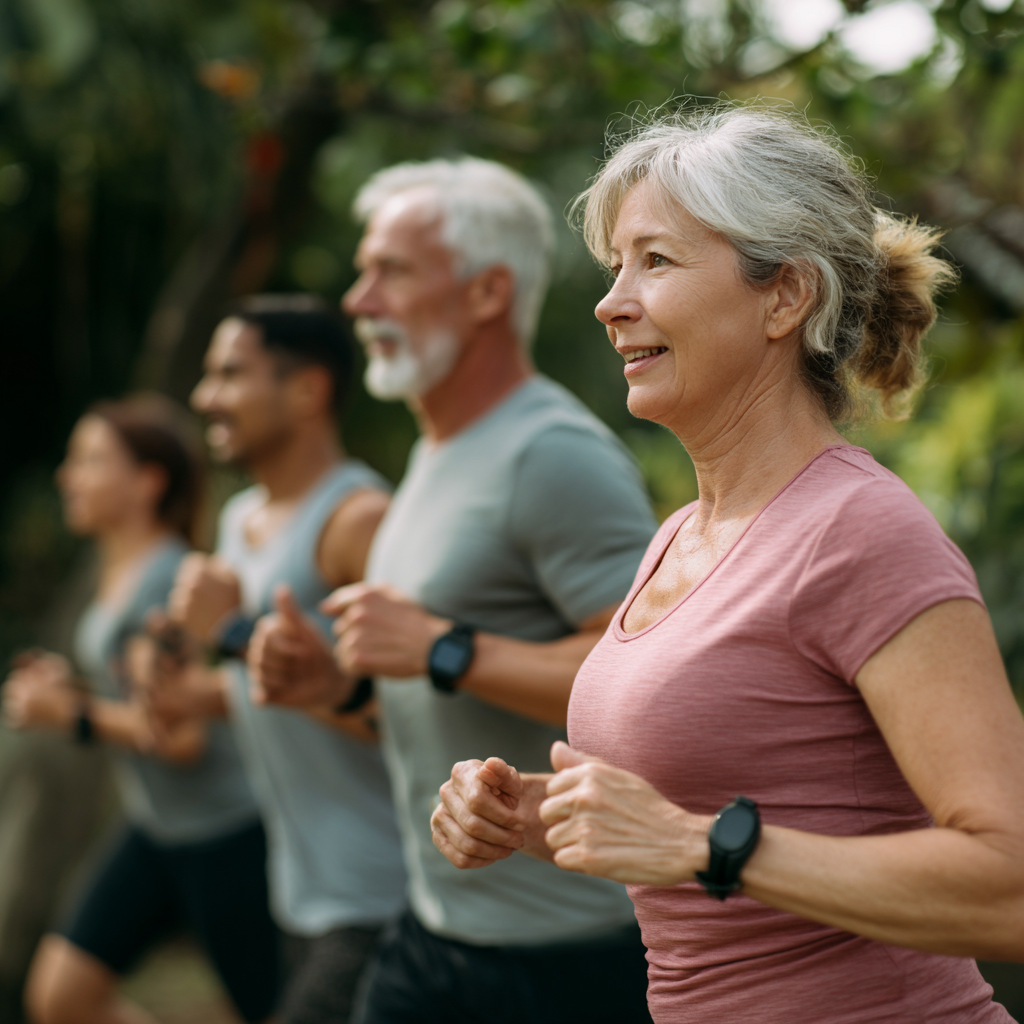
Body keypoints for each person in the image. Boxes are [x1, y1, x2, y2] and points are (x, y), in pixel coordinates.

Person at [430, 104, 1024, 1023]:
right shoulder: (680, 535)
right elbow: (710, 812)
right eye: (614, 266)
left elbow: (1008, 883)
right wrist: (537, 813)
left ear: (784, 298)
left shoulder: (861, 531)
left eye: (655, 261)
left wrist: (702, 844)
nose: (611, 301)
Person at [260, 157, 659, 1024]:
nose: (359, 301)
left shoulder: (553, 452)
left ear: (486, 294)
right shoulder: (438, 448)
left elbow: (645, 673)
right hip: (437, 930)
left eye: (391, 272)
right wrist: (335, 688)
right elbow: (445, 699)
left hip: (565, 959)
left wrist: (443, 646)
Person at [160, 294, 406, 1024]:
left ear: (307, 390)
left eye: (231, 374)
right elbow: (262, 689)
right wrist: (176, 682)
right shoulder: (241, 520)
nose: (207, 397)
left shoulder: (358, 520)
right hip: (296, 894)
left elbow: (410, 714)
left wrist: (233, 632)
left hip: (378, 897)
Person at [2, 395, 280, 1024]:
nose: (67, 477)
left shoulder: (165, 583)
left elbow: (181, 739)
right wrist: (73, 693)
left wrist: (68, 714)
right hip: (156, 826)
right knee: (60, 995)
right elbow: (139, 695)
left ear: (148, 481)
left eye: (91, 461)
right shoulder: (121, 568)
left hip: (222, 834)